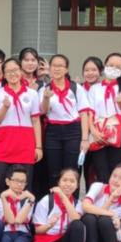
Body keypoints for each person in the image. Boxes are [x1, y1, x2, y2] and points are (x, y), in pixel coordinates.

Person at [0, 58, 42, 202]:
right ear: (4, 74)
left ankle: (23, 213)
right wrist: (5, 107)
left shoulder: (32, 94)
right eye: (8, 71)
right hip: (3, 144)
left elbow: (36, 121)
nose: (12, 74)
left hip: (25, 145)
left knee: (23, 184)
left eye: (15, 70)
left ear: (21, 71)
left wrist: (38, 147)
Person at [40, 54, 90, 188]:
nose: (57, 69)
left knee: (72, 170)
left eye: (60, 66)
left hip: (73, 131)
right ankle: (55, 198)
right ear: (50, 68)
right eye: (54, 66)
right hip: (53, 131)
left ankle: (72, 199)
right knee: (53, 171)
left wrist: (85, 139)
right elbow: (43, 111)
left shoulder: (76, 88)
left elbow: (84, 113)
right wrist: (46, 98)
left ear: (66, 69)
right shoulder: (45, 88)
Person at [85, 53, 121, 182]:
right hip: (98, 132)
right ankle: (104, 194)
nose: (113, 69)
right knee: (100, 172)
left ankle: (114, 195)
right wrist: (93, 132)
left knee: (115, 171)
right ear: (105, 65)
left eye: (118, 67)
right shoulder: (95, 88)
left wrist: (120, 102)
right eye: (111, 65)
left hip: (118, 131)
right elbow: (90, 113)